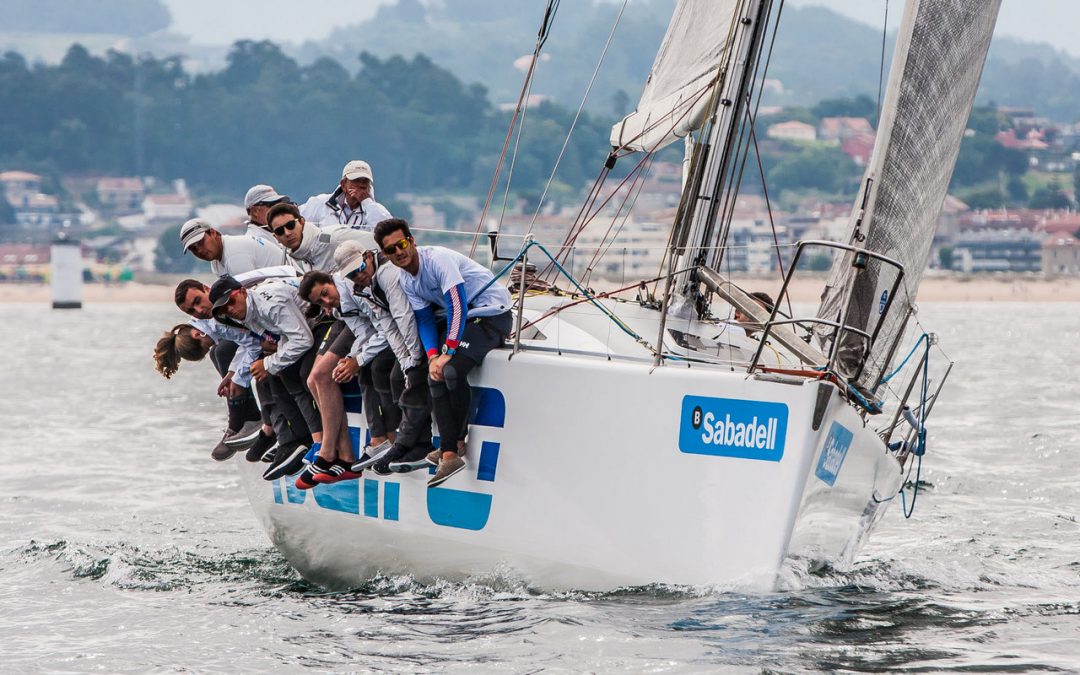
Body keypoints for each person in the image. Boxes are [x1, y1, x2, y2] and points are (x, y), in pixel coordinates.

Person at [373, 218, 513, 487]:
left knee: (450, 370)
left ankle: (452, 448)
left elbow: (457, 306)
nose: (399, 252)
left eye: (401, 244)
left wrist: (447, 352)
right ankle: (451, 449)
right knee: (433, 374)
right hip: (467, 320)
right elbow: (424, 320)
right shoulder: (406, 278)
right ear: (385, 255)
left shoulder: (437, 260)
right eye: (391, 250)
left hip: (491, 313)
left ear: (412, 241)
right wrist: (433, 355)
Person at [295, 269, 402, 489]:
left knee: (324, 375)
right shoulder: (337, 306)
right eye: (320, 300)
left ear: (331, 280)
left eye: (325, 292)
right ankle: (340, 453)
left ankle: (331, 452)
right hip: (364, 330)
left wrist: (358, 359)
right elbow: (364, 331)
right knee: (313, 379)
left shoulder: (353, 290)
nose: (327, 300)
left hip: (391, 329)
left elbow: (384, 328)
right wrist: (352, 358)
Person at [333, 240, 433, 474]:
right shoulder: (362, 287)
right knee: (392, 373)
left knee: (400, 376)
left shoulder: (387, 274)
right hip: (408, 330)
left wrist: (413, 360)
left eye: (360, 269)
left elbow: (404, 317)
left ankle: (414, 442)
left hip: (428, 322)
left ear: (368, 256)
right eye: (351, 275)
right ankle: (410, 442)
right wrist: (404, 358)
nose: (358, 276)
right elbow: (387, 325)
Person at [210, 275, 323, 480]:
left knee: (295, 373)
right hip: (303, 330)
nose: (230, 310)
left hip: (322, 319)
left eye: (231, 302)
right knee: (268, 376)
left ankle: (314, 440)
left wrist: (269, 363)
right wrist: (237, 372)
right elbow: (275, 340)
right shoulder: (244, 312)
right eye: (223, 310)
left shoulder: (269, 304)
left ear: (243, 291)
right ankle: (287, 438)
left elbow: (303, 340)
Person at [153, 322, 264, 460]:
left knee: (222, 351)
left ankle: (240, 422)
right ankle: (247, 417)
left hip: (261, 329)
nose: (210, 345)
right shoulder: (202, 326)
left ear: (198, 334)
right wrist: (232, 374)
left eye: (205, 346)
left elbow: (251, 343)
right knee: (215, 352)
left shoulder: (211, 320)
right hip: (249, 329)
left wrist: (238, 377)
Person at [267, 202, 376, 272]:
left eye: (290, 225)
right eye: (280, 231)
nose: (287, 233)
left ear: (302, 222)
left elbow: (379, 243)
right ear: (275, 237)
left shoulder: (332, 237)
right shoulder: (300, 257)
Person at [180, 218, 290, 277]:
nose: (199, 250)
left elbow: (248, 299)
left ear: (213, 232)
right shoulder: (216, 263)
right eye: (193, 248)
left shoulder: (234, 253)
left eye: (201, 242)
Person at [299, 160, 392, 230]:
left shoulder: (378, 210)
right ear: (343, 185)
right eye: (356, 180)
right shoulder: (320, 203)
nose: (361, 185)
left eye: (365, 181)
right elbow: (296, 221)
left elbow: (387, 233)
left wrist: (367, 202)